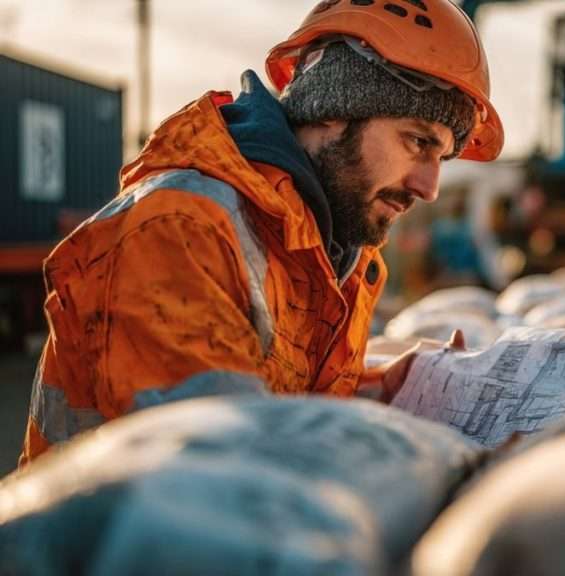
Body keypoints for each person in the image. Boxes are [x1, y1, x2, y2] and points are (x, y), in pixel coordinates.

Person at [19, 0, 503, 466]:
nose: (430, 188)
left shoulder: (334, 251)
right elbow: (215, 467)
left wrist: (381, 390)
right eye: (418, 142)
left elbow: (275, 403)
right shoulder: (179, 232)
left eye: (442, 158)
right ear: (334, 107)